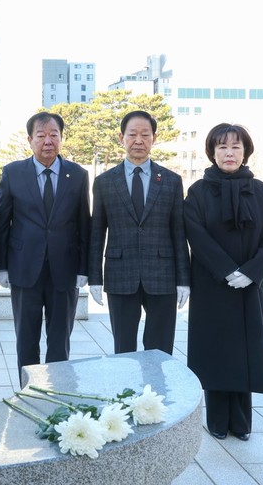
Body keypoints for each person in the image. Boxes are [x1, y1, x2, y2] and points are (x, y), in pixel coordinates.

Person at [184, 123, 263, 441]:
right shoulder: (198, 191)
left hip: (250, 286)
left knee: (245, 350)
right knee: (215, 349)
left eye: (236, 147)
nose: (229, 153)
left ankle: (241, 421)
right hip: (212, 284)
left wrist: (251, 272)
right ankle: (216, 419)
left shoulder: (262, 192)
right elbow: (196, 233)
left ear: (245, 152)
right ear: (212, 152)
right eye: (222, 147)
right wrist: (226, 269)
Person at [0, 112, 90, 382]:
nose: (48, 141)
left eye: (53, 135)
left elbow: (84, 224)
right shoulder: (13, 173)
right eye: (41, 135)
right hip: (24, 268)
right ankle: (29, 393)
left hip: (65, 270)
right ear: (30, 139)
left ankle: (56, 392)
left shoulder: (78, 174)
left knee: (60, 340)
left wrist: (84, 269)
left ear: (61, 137)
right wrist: (1, 266)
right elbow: (1, 222)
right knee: (26, 339)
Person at [88, 110, 190, 354]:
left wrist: (184, 281)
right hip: (120, 275)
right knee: (123, 350)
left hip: (162, 276)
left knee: (160, 350)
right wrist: (95, 278)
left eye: (145, 134)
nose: (138, 140)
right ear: (121, 138)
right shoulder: (104, 182)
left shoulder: (171, 181)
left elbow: (179, 233)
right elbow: (96, 233)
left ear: (154, 138)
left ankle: (156, 381)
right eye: (132, 134)